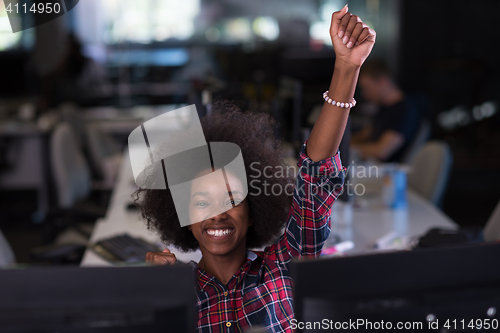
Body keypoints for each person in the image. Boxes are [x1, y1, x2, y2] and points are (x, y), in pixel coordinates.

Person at [139, 5, 375, 332]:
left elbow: (315, 176)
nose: (217, 213)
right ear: (184, 218)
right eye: (201, 203)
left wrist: (346, 69)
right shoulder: (178, 295)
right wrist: (150, 292)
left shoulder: (285, 267)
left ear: (253, 210)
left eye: (231, 199)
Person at [351, 59, 421, 162]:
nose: (364, 94)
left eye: (367, 88)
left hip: (387, 173)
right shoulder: (384, 107)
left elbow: (381, 151)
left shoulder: (405, 110)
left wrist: (348, 149)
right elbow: (366, 133)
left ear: (383, 82)